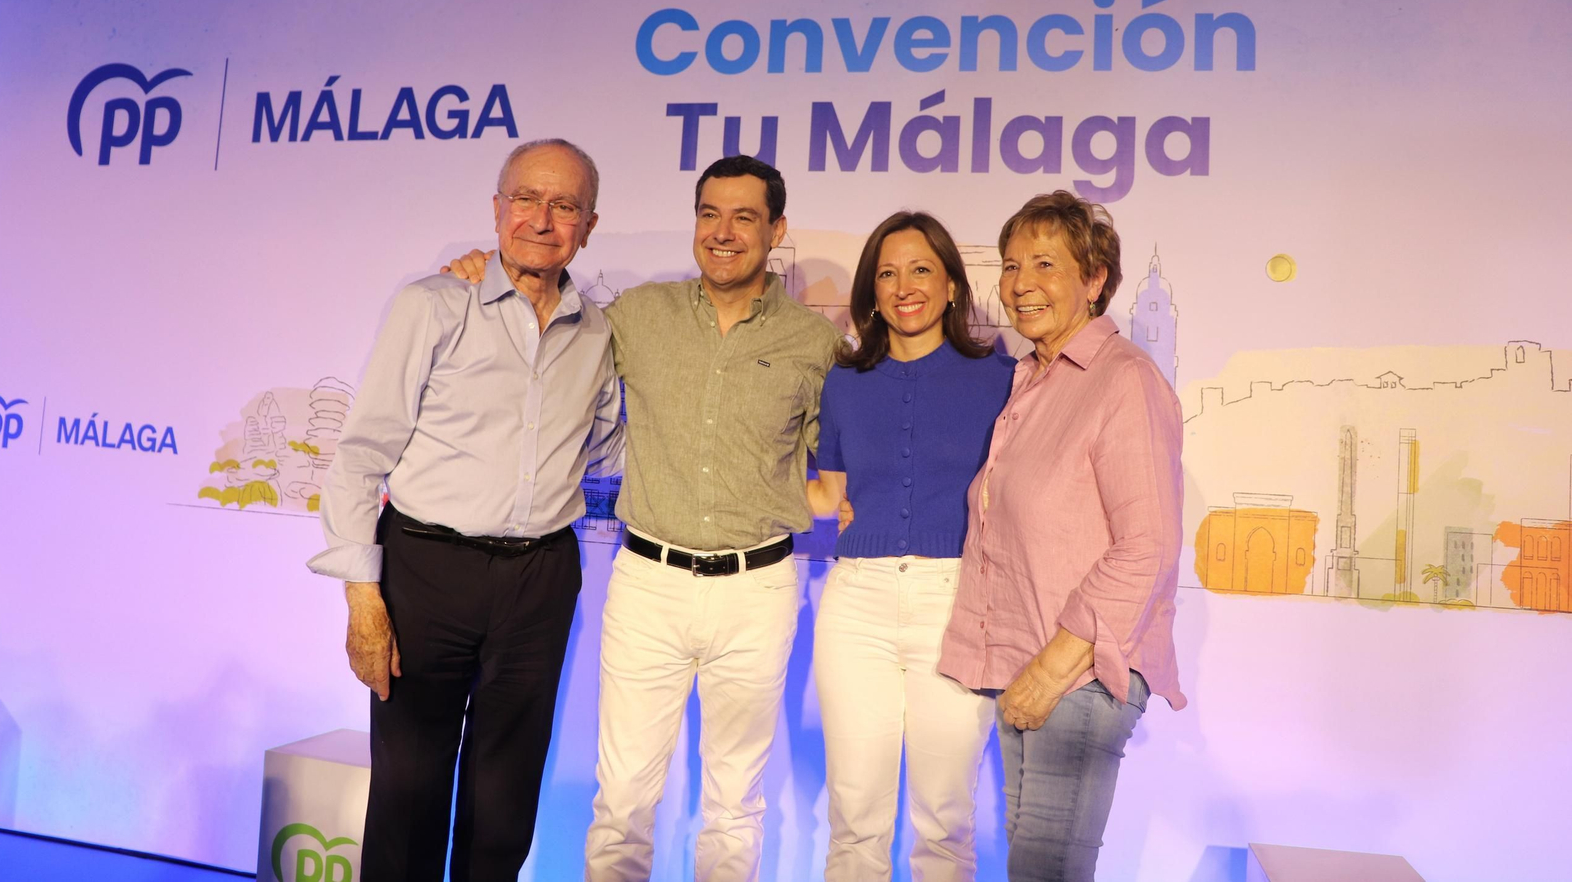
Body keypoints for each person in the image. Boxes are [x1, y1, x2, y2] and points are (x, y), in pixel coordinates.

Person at [446, 155, 843, 882]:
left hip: (758, 589)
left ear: (775, 229)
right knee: (623, 799)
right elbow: (545, 308)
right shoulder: (637, 315)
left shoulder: (815, 345)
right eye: (709, 214)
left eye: (744, 217)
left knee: (734, 805)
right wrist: (483, 268)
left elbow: (840, 466)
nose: (722, 233)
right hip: (648, 581)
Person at [308, 139, 623, 882]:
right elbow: (360, 455)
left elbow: (606, 445)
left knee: (505, 801)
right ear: (496, 209)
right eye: (525, 199)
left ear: (590, 224)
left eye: (564, 205)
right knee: (410, 793)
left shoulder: (600, 331)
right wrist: (362, 596)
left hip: (541, 577)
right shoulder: (432, 304)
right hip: (426, 570)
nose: (542, 220)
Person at [937, 190, 1186, 882]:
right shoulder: (1031, 381)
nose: (1021, 285)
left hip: (1077, 677)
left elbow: (1148, 547)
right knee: (1032, 866)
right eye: (1012, 267)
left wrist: (1051, 671)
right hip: (1029, 668)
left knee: (1045, 870)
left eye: (1046, 264)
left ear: (1095, 279)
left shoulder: (1123, 380)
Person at [804, 211, 1013, 881]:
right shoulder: (843, 381)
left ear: (952, 285)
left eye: (921, 268)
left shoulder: (1000, 380)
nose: (904, 285)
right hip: (855, 601)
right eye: (887, 273)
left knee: (944, 820)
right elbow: (826, 492)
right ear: (871, 293)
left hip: (956, 603)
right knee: (854, 818)